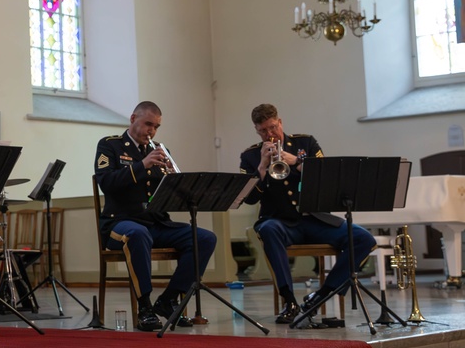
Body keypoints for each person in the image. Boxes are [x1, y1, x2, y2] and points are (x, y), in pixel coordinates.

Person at [239, 103, 377, 324]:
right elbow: (250, 199)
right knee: (268, 230)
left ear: (280, 122)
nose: (270, 134)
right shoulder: (250, 156)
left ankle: (321, 296)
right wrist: (263, 168)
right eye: (263, 130)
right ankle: (289, 301)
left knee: (363, 239)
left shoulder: (305, 143)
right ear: (256, 130)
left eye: (273, 127)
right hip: (279, 222)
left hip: (315, 219)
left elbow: (327, 179)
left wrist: (298, 162)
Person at [94, 101, 216, 331]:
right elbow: (106, 182)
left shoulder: (160, 149)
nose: (152, 131)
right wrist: (142, 165)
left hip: (156, 223)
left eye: (156, 126)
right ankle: (145, 307)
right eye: (148, 124)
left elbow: (171, 195)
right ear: (133, 119)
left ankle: (168, 300)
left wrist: (174, 180)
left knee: (205, 238)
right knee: (137, 234)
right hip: (119, 222)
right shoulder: (110, 145)